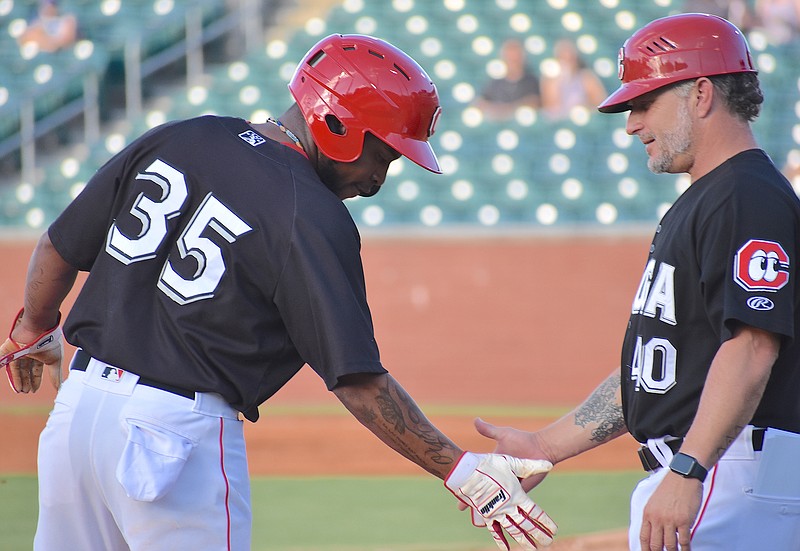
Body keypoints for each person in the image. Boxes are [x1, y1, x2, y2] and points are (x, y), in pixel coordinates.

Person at [0, 34, 558, 551]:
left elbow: (59, 245)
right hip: (173, 441)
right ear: (338, 125)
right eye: (383, 155)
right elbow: (359, 382)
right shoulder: (309, 212)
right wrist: (463, 474)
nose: (378, 179)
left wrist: (35, 327)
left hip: (75, 420)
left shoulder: (184, 133)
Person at [471, 13, 800, 551]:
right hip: (715, 466)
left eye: (645, 102)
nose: (632, 123)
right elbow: (659, 371)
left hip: (729, 466)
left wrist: (689, 469)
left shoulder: (746, 195)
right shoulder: (712, 197)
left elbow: (753, 346)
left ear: (700, 93)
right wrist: (543, 444)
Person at [539, 38, 606, 121]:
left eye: (570, 58)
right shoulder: (549, 80)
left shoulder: (587, 77)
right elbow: (551, 108)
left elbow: (600, 103)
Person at [474, 38, 541, 121]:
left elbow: (534, 102)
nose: (512, 59)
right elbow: (480, 102)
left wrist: (507, 110)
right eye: (509, 56)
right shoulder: (495, 82)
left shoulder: (531, 81)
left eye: (515, 56)